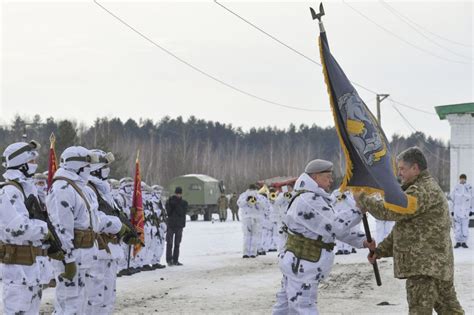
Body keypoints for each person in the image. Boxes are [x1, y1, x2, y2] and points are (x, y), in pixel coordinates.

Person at [354, 147, 464, 314]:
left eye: (402, 168)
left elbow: (393, 210)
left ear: (415, 168)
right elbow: (405, 227)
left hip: (424, 269)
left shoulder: (422, 190)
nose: (399, 173)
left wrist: (363, 199)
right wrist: (381, 250)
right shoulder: (423, 188)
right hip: (435, 267)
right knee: (451, 311)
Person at [273, 159, 374, 315]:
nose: (331, 180)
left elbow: (329, 230)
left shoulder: (314, 197)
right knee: (303, 308)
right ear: (315, 177)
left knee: (285, 308)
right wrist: (358, 210)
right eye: (328, 176)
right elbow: (335, 225)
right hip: (302, 264)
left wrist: (361, 241)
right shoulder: (308, 199)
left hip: (300, 262)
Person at [46, 146, 101, 314]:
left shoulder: (78, 187)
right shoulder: (63, 188)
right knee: (68, 305)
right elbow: (61, 228)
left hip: (83, 256)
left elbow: (89, 220)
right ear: (77, 166)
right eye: (87, 166)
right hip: (71, 257)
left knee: (80, 303)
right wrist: (68, 260)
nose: (89, 170)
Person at [0, 141, 53, 314]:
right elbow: (18, 228)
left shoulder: (26, 189)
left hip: (31, 268)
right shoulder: (10, 191)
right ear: (20, 163)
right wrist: (45, 230)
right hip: (17, 269)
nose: (34, 165)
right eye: (30, 162)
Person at [238, 184, 263, 258]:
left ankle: (249, 253)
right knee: (251, 236)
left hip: (254, 218)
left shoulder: (258, 196)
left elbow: (262, 206)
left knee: (249, 236)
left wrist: (256, 201)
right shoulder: (244, 195)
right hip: (248, 218)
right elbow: (240, 204)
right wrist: (246, 200)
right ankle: (250, 252)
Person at [165, 186, 188, 266]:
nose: (178, 195)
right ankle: (169, 260)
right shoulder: (170, 201)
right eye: (177, 193)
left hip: (179, 225)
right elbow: (168, 212)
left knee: (177, 244)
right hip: (171, 225)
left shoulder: (184, 203)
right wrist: (171, 204)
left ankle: (175, 260)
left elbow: (182, 213)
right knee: (169, 243)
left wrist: (176, 204)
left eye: (179, 194)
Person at [450, 174, 473, 248]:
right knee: (457, 227)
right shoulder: (456, 188)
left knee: (465, 227)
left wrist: (472, 210)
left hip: (466, 211)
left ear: (465, 179)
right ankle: (458, 242)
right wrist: (452, 210)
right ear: (459, 179)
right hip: (457, 211)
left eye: (464, 179)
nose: (462, 180)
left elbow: (472, 199)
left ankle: (464, 242)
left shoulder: (469, 188)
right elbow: (452, 200)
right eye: (461, 179)